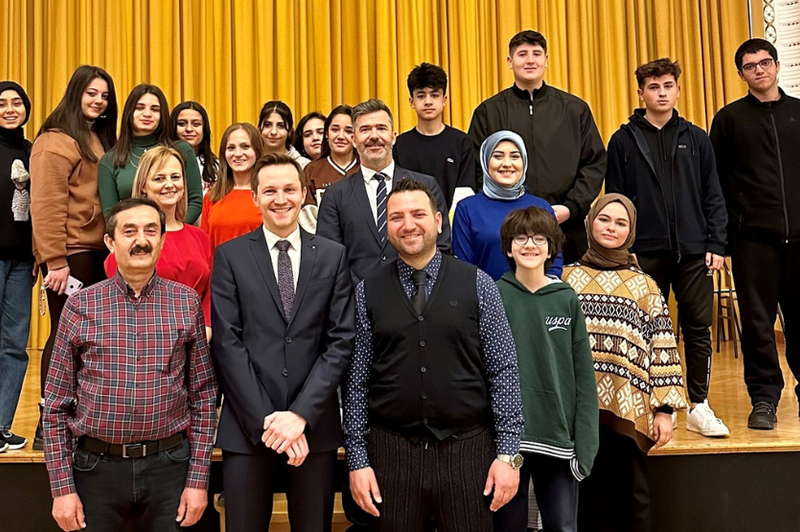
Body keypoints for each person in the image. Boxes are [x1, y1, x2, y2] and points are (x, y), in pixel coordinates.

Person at [344, 177, 524, 532]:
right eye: (396, 217)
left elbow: (504, 371)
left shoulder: (478, 284)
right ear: (386, 226)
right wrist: (357, 460)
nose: (408, 225)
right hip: (391, 455)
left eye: (417, 214)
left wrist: (508, 456)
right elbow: (357, 382)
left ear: (438, 221)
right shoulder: (367, 291)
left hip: (467, 454)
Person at [43, 197, 217, 532]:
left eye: (151, 230)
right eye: (130, 231)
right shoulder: (81, 305)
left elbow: (204, 397)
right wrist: (62, 489)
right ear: (110, 242)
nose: (142, 240)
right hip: (96, 471)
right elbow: (55, 406)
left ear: (162, 240)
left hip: (169, 469)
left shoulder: (186, 303)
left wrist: (197, 480)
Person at [211, 153, 355, 531]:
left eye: (290, 189)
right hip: (247, 427)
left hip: (313, 428)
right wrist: (268, 423)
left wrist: (300, 416)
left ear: (304, 193)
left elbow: (339, 341)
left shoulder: (332, 256)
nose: (280, 198)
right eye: (270, 190)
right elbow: (228, 343)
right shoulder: (229, 257)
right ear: (255, 198)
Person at [606, 57, 729, 437]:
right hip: (643, 253)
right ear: (641, 92)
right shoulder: (623, 140)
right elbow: (616, 200)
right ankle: (656, 403)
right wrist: (623, 250)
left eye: (667, 86)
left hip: (694, 251)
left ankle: (699, 404)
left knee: (697, 327)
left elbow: (713, 193)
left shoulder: (696, 138)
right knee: (647, 332)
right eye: (653, 87)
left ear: (678, 89)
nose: (661, 93)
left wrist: (717, 241)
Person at [562, 194, 688, 532]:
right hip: (577, 411)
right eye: (604, 219)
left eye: (621, 223)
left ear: (630, 232)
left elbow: (663, 344)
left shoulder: (644, 286)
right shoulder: (564, 278)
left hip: (629, 407)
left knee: (632, 501)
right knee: (585, 501)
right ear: (590, 223)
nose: (611, 228)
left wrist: (665, 410)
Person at [709, 38, 800, 430]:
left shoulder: (799, 112)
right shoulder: (729, 119)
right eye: (750, 66)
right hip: (752, 243)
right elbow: (717, 182)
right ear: (741, 74)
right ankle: (764, 399)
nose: (759, 70)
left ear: (777, 66)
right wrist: (729, 236)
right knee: (758, 326)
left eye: (765, 62)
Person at [30, 65, 118, 451]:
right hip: (72, 256)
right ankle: (48, 424)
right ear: (75, 93)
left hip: (99, 253)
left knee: (92, 341)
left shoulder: (94, 138)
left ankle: (84, 419)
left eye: (104, 96)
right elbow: (45, 204)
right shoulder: (55, 140)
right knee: (65, 339)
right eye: (91, 93)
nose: (99, 101)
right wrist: (55, 261)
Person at [493, 206, 598, 532]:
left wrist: (586, 444)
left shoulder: (566, 299)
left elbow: (583, 375)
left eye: (539, 238)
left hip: (558, 438)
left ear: (552, 248)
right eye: (520, 238)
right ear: (509, 247)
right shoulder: (495, 296)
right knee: (507, 526)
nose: (529, 245)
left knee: (562, 527)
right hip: (510, 442)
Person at [468, 29, 606, 263]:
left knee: (564, 294)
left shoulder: (575, 109)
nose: (530, 60)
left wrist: (571, 207)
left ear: (546, 60)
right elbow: (476, 165)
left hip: (566, 227)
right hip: (507, 227)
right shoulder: (488, 112)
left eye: (537, 54)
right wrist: (503, 209)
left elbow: (594, 163)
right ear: (510, 62)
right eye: (522, 54)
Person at [317, 99, 451, 283]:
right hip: (357, 301)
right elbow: (330, 257)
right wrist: (363, 293)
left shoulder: (426, 185)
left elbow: (441, 244)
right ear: (354, 140)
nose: (374, 136)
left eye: (381, 128)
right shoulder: (335, 195)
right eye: (365, 130)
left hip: (419, 295)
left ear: (393, 136)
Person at [104, 146, 212, 331]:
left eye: (175, 177)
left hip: (198, 341)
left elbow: (209, 296)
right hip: (148, 341)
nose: (169, 184)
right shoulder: (130, 241)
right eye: (159, 178)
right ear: (144, 186)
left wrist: (205, 330)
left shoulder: (200, 237)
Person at [453, 130, 563, 280]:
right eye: (498, 156)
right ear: (485, 161)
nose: (507, 164)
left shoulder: (541, 206)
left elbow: (554, 261)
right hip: (483, 300)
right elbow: (463, 267)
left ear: (524, 161)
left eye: (515, 156)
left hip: (536, 298)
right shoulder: (467, 209)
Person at [98, 84, 203, 223]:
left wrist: (172, 231)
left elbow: (195, 200)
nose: (147, 114)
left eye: (155, 109)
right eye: (140, 108)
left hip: (177, 235)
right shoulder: (109, 160)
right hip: (133, 239)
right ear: (129, 112)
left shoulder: (182, 151)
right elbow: (110, 214)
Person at [0, 81, 33, 452]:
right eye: (2, 103)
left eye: (16, 103)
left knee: (14, 345)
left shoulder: (31, 150)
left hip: (22, 263)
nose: (10, 109)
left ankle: (2, 423)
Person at [393, 62, 475, 210]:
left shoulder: (462, 143)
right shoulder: (399, 145)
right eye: (421, 96)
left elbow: (465, 194)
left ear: (444, 99)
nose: (428, 101)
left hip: (452, 225)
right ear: (411, 102)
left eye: (435, 95)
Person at [202, 123, 265, 250]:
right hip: (220, 269)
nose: (237, 153)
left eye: (245, 147)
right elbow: (205, 248)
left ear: (257, 151)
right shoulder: (212, 197)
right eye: (231, 148)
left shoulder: (267, 195)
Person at [303, 105, 360, 206]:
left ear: (356, 136)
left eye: (348, 131)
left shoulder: (366, 168)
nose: (341, 136)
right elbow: (307, 213)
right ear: (326, 134)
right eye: (335, 130)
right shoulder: (311, 170)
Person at [170, 101, 218, 194]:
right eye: (181, 124)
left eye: (196, 124)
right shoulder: (161, 162)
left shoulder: (218, 167)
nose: (189, 129)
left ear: (204, 129)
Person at [258, 100, 311, 168]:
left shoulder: (304, 166)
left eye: (281, 126)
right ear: (259, 129)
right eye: (268, 125)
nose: (273, 132)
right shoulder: (250, 163)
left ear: (289, 131)